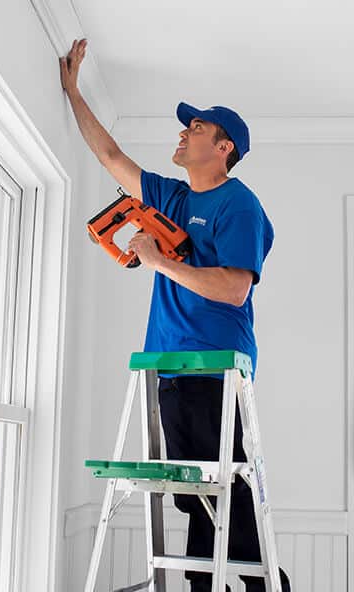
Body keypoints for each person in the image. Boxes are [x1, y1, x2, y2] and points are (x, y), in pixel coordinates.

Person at [60, 39, 291, 592]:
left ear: (223, 146)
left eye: (196, 129)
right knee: (194, 497)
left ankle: (268, 584)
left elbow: (233, 289)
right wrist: (72, 91)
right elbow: (112, 157)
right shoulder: (171, 197)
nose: (183, 133)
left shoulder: (240, 205)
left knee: (220, 492)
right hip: (167, 368)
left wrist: (160, 260)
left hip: (215, 369)